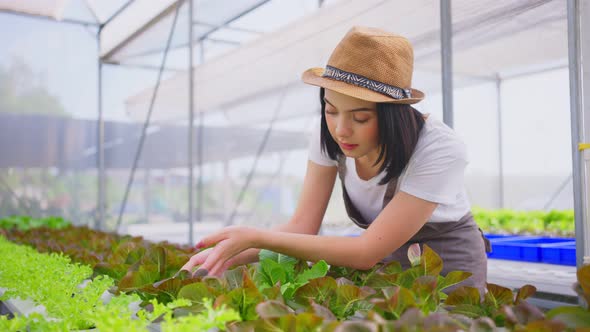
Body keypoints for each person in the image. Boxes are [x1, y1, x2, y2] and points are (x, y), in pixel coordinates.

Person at [181, 26, 489, 292]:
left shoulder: (439, 148)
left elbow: (367, 251)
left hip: (446, 266)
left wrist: (255, 237)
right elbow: (303, 225)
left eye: (360, 117)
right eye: (331, 110)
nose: (341, 130)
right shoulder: (328, 136)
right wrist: (233, 252)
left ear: (392, 115)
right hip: (385, 261)